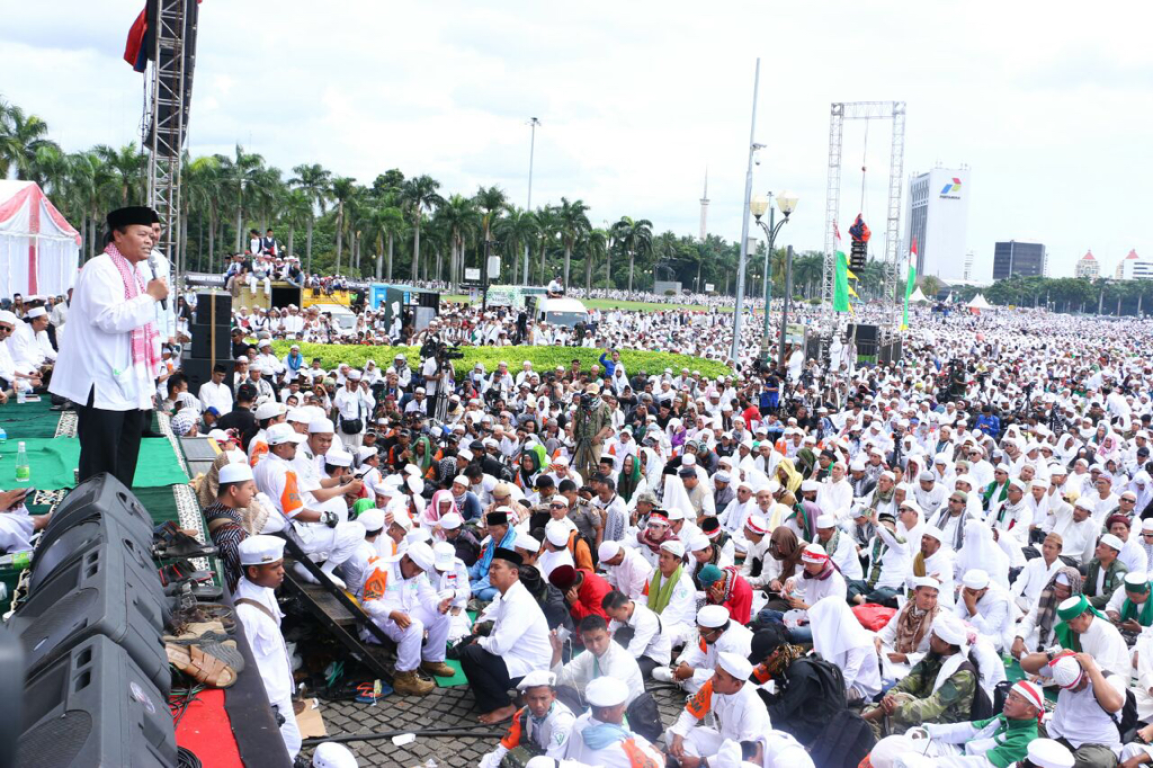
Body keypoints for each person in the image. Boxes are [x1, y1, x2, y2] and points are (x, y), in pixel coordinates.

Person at [50, 205, 169, 486]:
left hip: (128, 382)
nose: (149, 240)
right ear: (117, 235)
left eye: (151, 235)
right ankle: (95, 522)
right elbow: (109, 318)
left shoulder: (135, 273)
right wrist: (150, 298)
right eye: (141, 234)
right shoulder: (100, 269)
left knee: (125, 460)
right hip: (101, 382)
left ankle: (119, 515)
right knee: (101, 464)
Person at [459, 548, 552, 724]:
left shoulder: (518, 601)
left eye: (496, 568)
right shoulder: (510, 594)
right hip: (519, 658)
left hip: (531, 667)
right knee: (474, 647)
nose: (491, 571)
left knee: (471, 653)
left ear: (513, 573)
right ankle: (509, 696)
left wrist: (479, 641)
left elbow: (499, 646)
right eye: (491, 567)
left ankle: (503, 706)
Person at [867, 680, 1044, 768]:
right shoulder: (1008, 717)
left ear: (1030, 710)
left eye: (1014, 698)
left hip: (968, 763)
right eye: (1009, 696)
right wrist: (929, 730)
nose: (1007, 701)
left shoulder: (1024, 739)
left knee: (904, 759)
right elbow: (970, 728)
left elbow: (981, 764)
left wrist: (933, 764)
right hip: (961, 755)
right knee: (910, 741)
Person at [233, 535, 300, 759]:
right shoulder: (245, 612)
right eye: (275, 567)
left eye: (281, 565)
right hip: (269, 696)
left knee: (292, 743)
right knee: (282, 749)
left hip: (280, 687)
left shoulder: (266, 589)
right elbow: (245, 663)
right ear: (253, 572)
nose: (282, 571)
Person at [358, 541, 453, 696]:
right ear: (406, 558)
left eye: (420, 570)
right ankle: (404, 677)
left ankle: (433, 660)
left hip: (404, 614)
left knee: (443, 616)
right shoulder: (381, 568)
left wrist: (439, 604)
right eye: (415, 568)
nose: (416, 573)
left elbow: (426, 595)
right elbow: (368, 604)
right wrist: (392, 614)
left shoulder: (418, 572)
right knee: (414, 625)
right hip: (378, 621)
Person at [862, 614, 979, 738]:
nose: (930, 638)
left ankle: (874, 731)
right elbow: (912, 680)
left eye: (934, 635)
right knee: (875, 707)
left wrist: (898, 710)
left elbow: (933, 706)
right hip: (920, 705)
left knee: (892, 709)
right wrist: (890, 696)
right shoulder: (935, 655)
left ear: (946, 644)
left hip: (944, 723)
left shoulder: (963, 674)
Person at [746, 625, 847, 748]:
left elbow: (780, 712)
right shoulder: (786, 658)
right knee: (755, 694)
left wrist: (750, 715)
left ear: (775, 653)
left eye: (763, 660)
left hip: (813, 724)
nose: (762, 664)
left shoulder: (801, 674)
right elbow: (755, 679)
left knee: (763, 729)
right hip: (799, 708)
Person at [667, 651, 771, 768]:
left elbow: (745, 753)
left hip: (745, 758)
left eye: (719, 677)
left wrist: (703, 762)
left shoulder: (752, 706)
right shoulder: (712, 685)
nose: (713, 679)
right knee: (673, 735)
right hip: (724, 742)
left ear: (737, 685)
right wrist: (678, 738)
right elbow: (692, 713)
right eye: (715, 673)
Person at [1032, 652, 1126, 768]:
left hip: (1094, 745)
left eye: (1081, 681)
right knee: (1025, 735)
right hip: (1055, 733)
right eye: (1072, 688)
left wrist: (1091, 668)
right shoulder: (1063, 666)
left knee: (1096, 763)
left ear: (1084, 670)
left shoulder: (1109, 679)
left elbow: (1114, 705)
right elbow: (1026, 665)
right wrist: (1051, 656)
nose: (1079, 687)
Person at [1019, 594, 1131, 681]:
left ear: (1083, 616)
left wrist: (1064, 677)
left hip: (1111, 689)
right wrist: (1053, 656)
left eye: (1071, 623)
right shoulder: (1073, 631)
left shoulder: (1107, 634)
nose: (1070, 627)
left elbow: (1103, 674)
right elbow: (1026, 663)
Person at [479, 671, 576, 768]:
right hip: (539, 752)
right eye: (533, 699)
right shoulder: (524, 713)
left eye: (543, 698)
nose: (538, 705)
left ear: (553, 696)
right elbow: (507, 743)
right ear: (525, 698)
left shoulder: (562, 722)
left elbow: (552, 761)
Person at [562, 676, 664, 767]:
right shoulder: (617, 748)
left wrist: (647, 745)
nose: (625, 709)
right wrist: (658, 756)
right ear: (605, 713)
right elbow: (654, 765)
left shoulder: (580, 721)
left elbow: (629, 735)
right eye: (621, 706)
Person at [549, 614, 644, 707]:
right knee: (557, 691)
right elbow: (556, 680)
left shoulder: (619, 659)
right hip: (599, 703)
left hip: (623, 712)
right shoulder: (588, 655)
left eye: (598, 639)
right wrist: (557, 651)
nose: (595, 646)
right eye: (589, 641)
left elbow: (610, 700)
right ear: (582, 639)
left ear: (608, 635)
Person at [661, 604, 754, 694]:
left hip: (733, 679)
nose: (701, 636)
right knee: (688, 670)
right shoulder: (712, 630)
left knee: (705, 686)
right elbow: (700, 649)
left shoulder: (734, 644)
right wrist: (686, 663)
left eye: (704, 634)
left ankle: (681, 680)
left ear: (719, 632)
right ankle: (680, 676)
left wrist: (692, 673)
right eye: (700, 632)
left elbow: (725, 676)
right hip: (715, 667)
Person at [810, 597, 883, 703]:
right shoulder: (845, 632)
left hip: (860, 689)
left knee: (815, 695)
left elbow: (846, 681)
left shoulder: (858, 644)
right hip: (843, 681)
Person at [601, 589, 671, 678]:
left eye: (615, 617)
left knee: (623, 673)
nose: (614, 620)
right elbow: (610, 632)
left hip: (653, 658)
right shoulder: (624, 609)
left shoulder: (645, 620)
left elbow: (634, 652)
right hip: (638, 651)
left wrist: (614, 664)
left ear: (624, 608)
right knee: (618, 635)